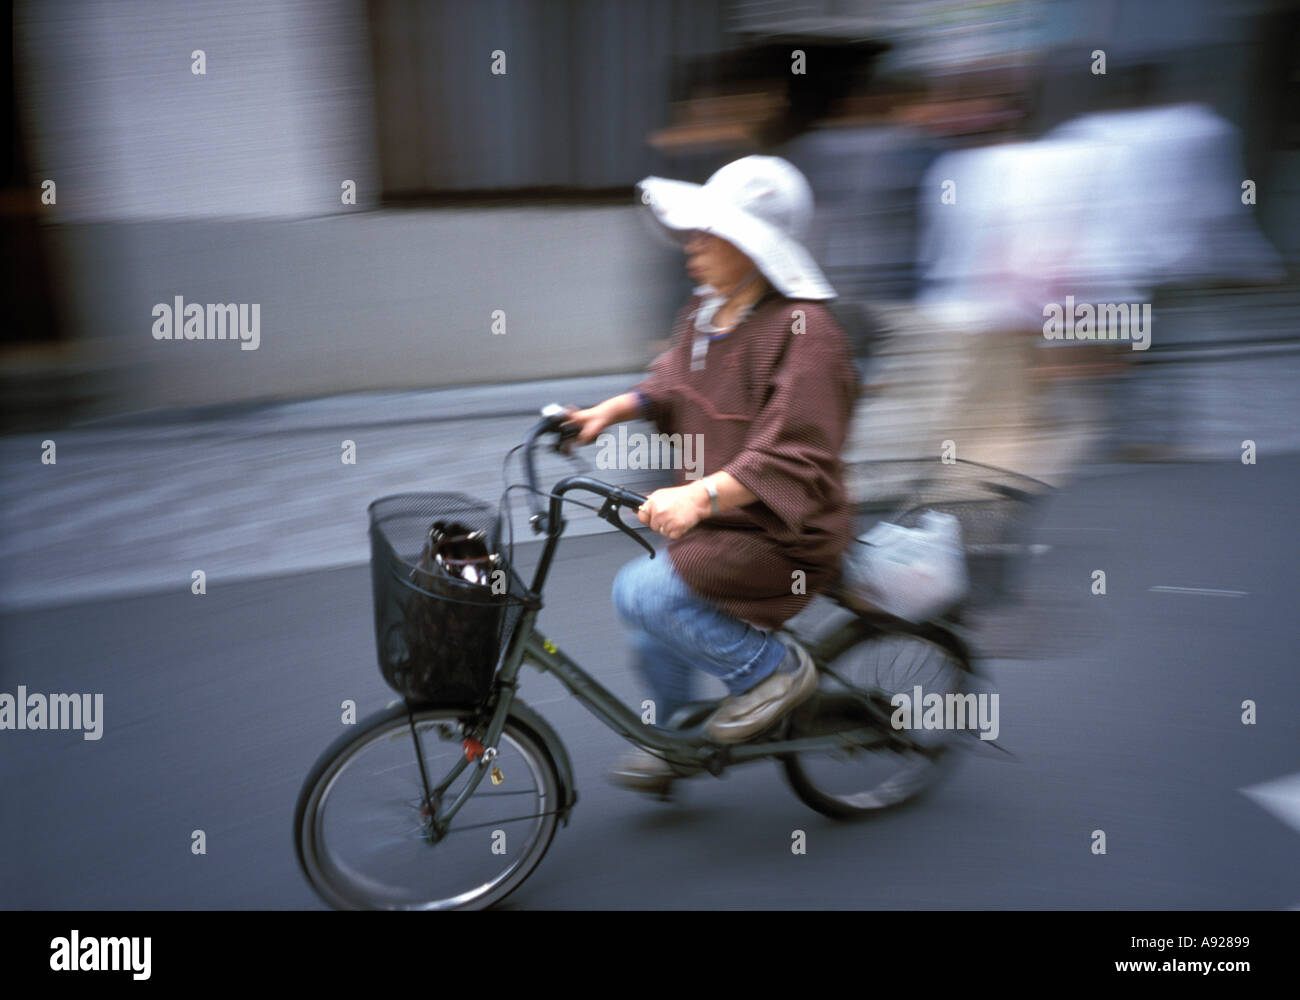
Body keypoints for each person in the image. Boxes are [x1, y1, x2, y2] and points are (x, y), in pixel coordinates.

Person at [563, 155, 860, 793]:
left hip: (783, 532)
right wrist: (608, 412)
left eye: (710, 234)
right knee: (648, 620)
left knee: (643, 593)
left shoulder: (807, 332)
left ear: (755, 249)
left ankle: (772, 671)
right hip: (721, 518)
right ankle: (673, 739)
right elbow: (671, 382)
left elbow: (795, 452)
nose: (691, 247)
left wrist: (699, 494)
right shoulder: (706, 312)